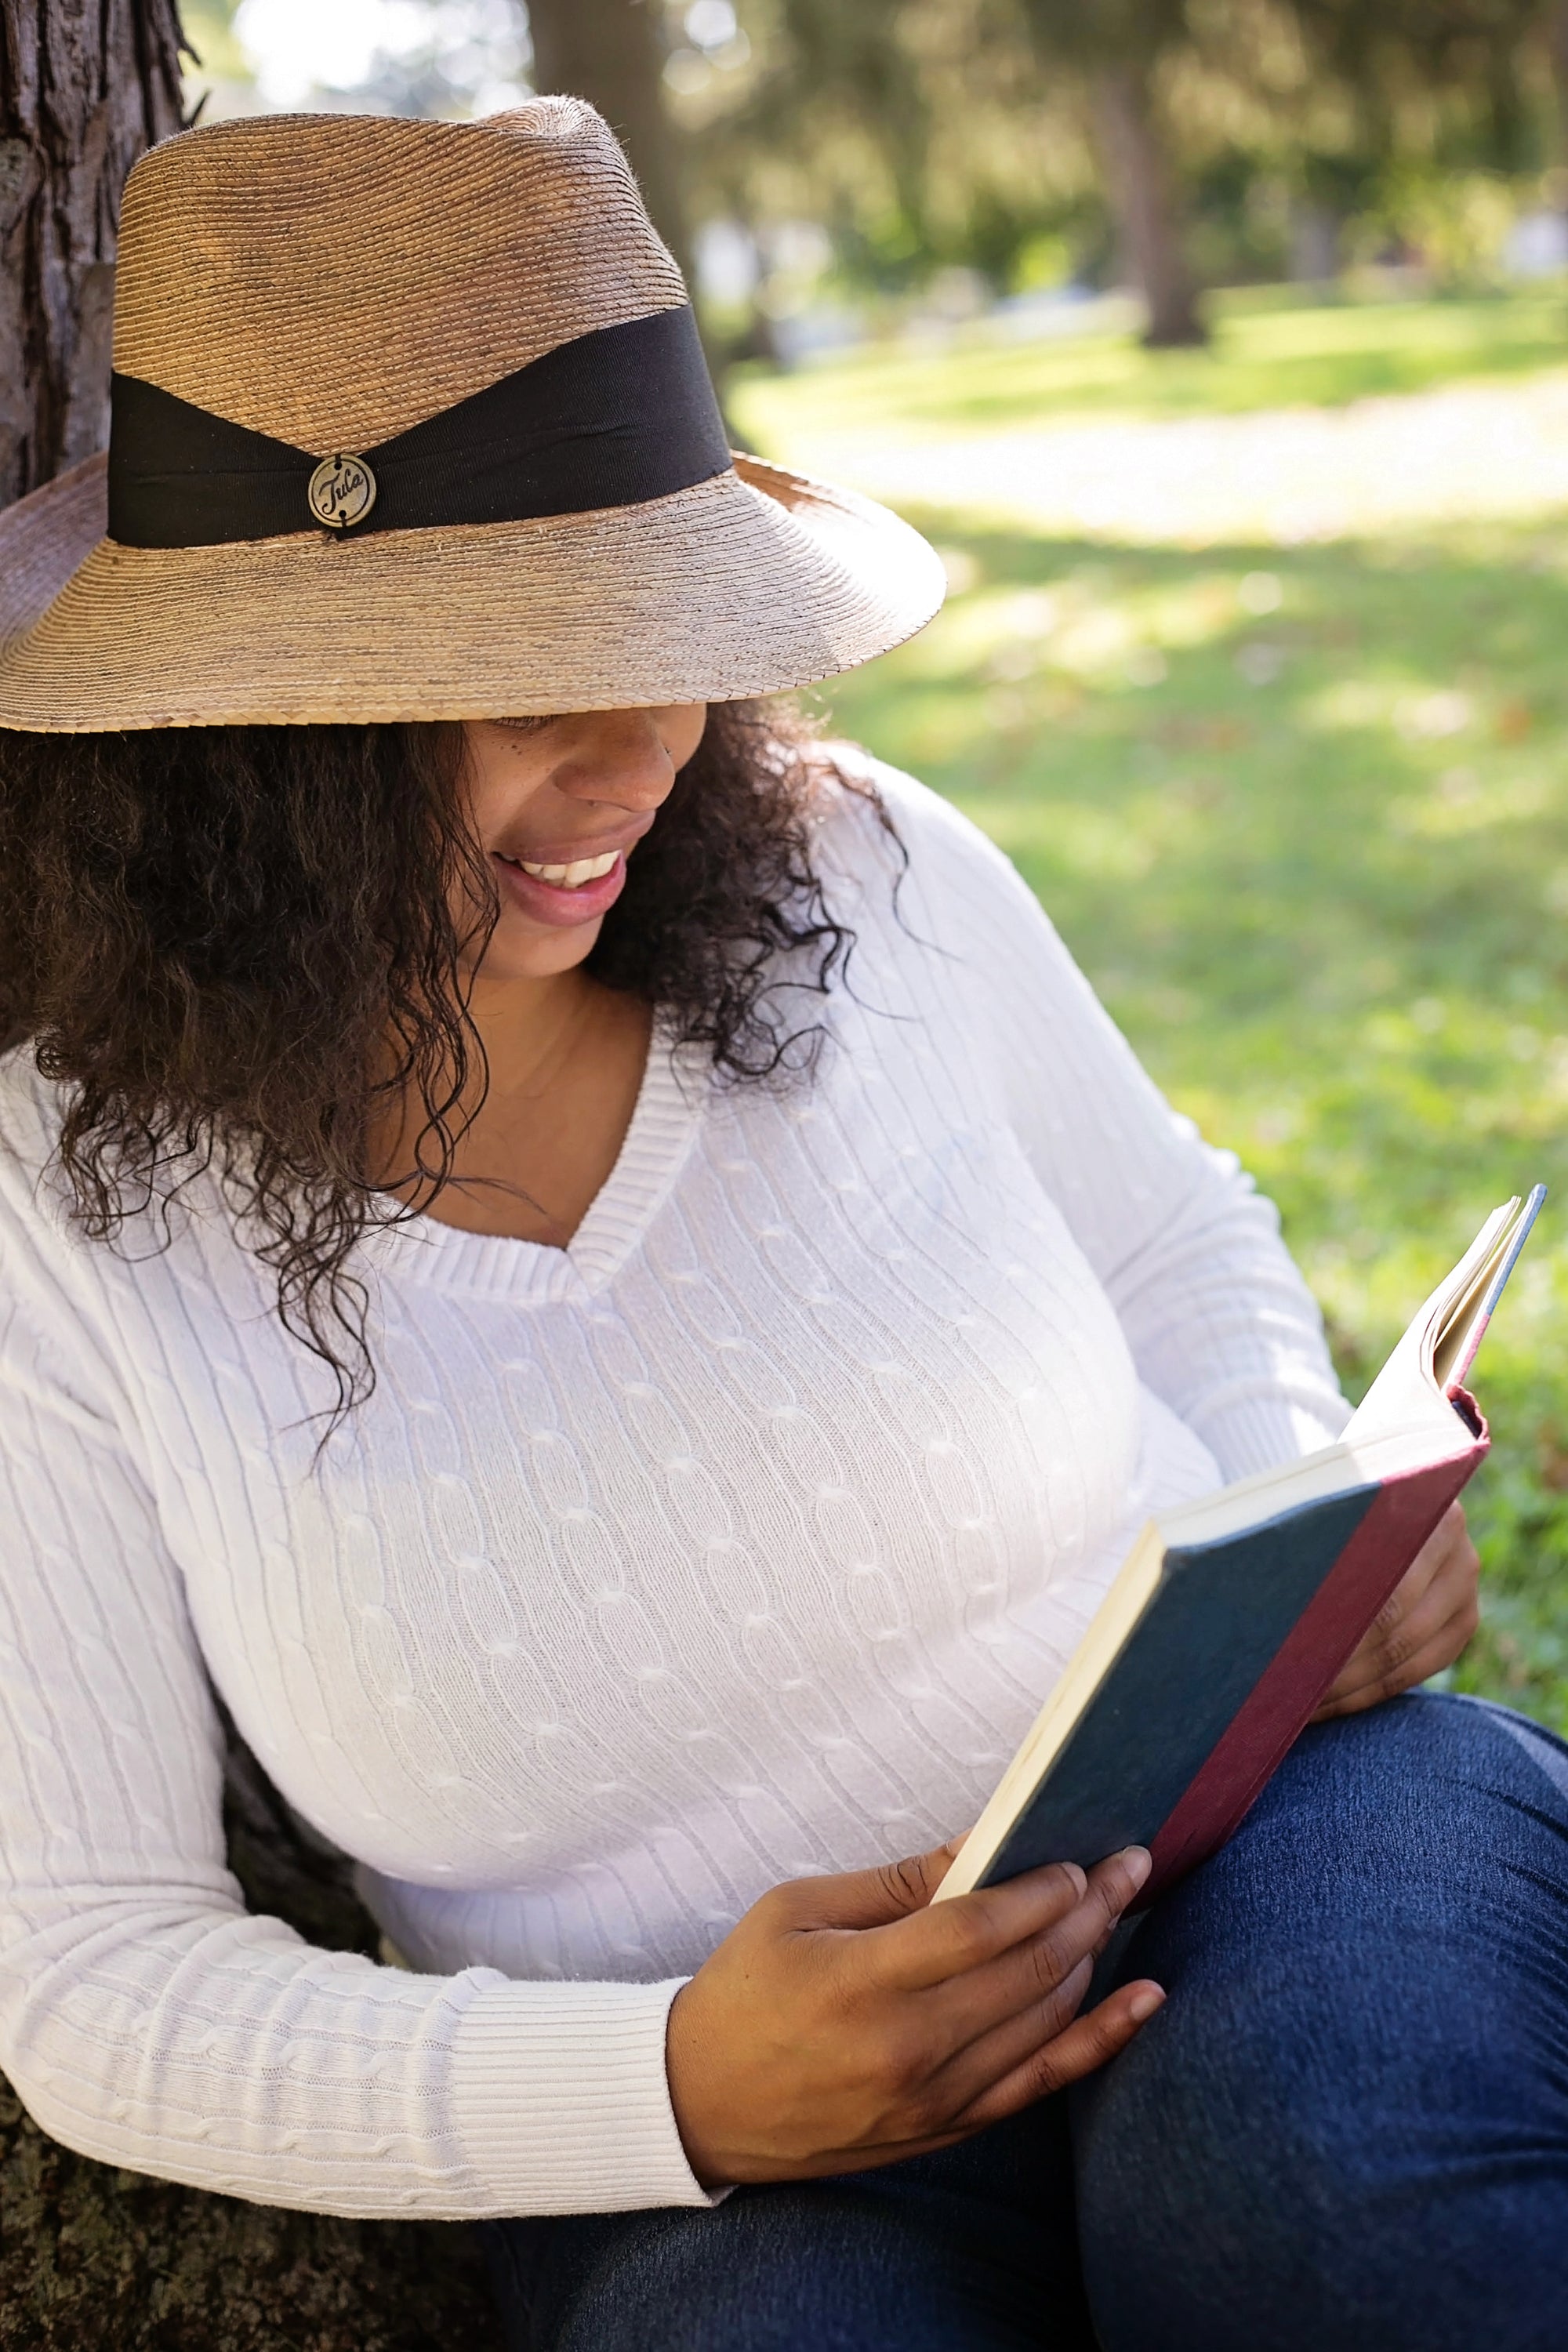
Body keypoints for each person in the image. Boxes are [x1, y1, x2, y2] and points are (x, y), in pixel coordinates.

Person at [0, 100, 1563, 2352]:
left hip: (1279, 1861)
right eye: (522, 656)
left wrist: (1301, 1510)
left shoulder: (855, 861)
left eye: (668, 623)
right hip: (708, 2167)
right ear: (244, 730)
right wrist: (668, 2086)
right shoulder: (64, 1209)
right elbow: (95, 1972)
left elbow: (1170, 1239)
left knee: (1327, 2206)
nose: (645, 742)